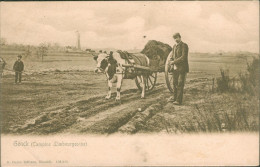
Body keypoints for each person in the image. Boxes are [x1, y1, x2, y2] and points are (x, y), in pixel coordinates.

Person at [168, 33, 189, 105]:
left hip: (182, 68)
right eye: (174, 38)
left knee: (180, 84)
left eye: (177, 38)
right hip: (175, 68)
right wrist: (171, 60)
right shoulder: (174, 46)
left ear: (180, 37)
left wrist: (174, 62)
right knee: (174, 83)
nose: (175, 40)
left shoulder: (184, 46)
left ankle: (178, 100)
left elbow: (183, 57)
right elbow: (172, 55)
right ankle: (174, 98)